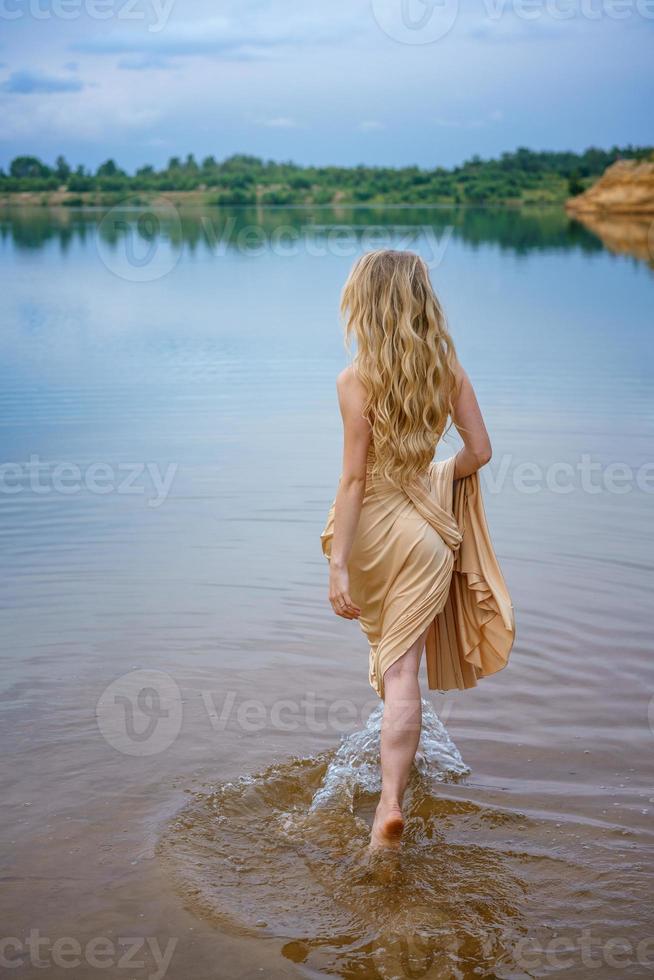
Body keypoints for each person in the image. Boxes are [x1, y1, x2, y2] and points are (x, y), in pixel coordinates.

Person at [320, 249, 514, 851]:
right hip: (428, 537)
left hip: (375, 532)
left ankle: (390, 803)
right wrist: (431, 477)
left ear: (367, 305)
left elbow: (353, 480)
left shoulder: (354, 380)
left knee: (392, 666)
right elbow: (479, 452)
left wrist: (337, 564)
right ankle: (392, 799)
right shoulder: (446, 368)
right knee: (406, 672)